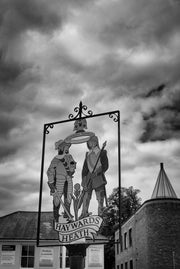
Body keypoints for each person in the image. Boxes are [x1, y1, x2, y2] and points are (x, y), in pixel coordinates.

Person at [47, 140, 76, 221]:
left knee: (68, 196)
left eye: (68, 147)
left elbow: (73, 165)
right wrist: (51, 182)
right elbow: (50, 171)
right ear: (61, 148)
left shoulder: (70, 156)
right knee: (57, 198)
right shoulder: (55, 159)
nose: (67, 148)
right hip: (59, 180)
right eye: (65, 147)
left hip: (68, 179)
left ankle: (67, 214)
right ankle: (55, 215)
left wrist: (72, 169)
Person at [79, 135, 108, 218]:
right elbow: (85, 169)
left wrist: (97, 172)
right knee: (86, 197)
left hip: (98, 177)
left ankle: (101, 214)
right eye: (89, 142)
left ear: (96, 142)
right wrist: (84, 180)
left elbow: (105, 165)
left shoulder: (102, 152)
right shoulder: (87, 154)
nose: (91, 143)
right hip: (89, 178)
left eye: (93, 141)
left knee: (100, 197)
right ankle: (84, 214)